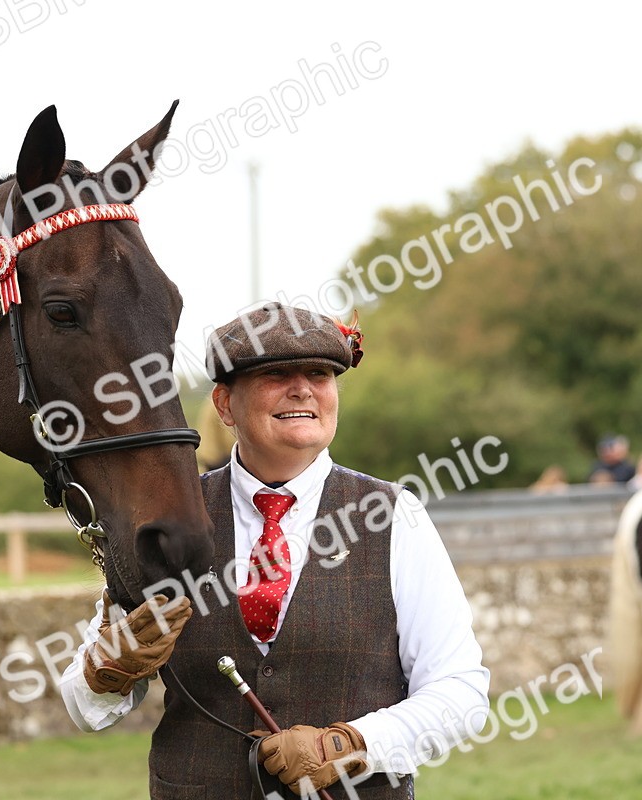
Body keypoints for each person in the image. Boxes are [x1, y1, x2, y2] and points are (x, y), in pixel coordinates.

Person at [60, 303, 489, 798]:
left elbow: (461, 693)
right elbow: (80, 704)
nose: (303, 388)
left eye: (320, 373)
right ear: (223, 404)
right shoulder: (166, 520)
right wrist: (107, 668)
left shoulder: (397, 516)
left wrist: (346, 743)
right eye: (275, 374)